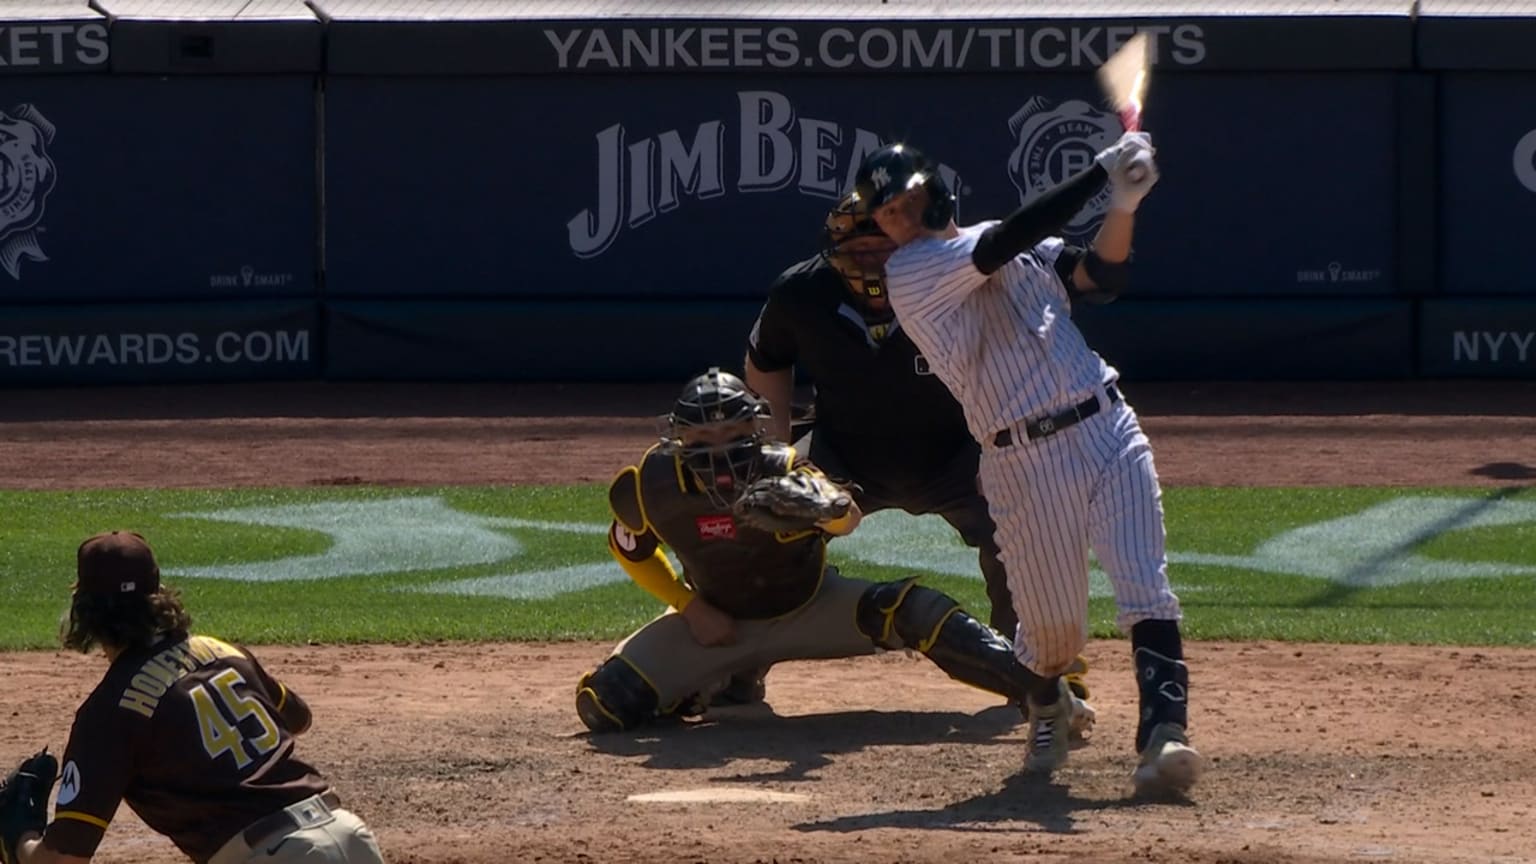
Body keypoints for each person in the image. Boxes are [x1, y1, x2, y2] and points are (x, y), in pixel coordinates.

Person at [850, 134, 1205, 796]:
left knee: (1144, 585)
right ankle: (1048, 701)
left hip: (1106, 426)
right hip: (1021, 461)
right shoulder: (912, 273)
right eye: (885, 214)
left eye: (902, 203)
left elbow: (1101, 279)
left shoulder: (1011, 242)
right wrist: (1101, 172)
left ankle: (1164, 736)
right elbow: (1003, 242)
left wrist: (1124, 203)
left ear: (933, 191)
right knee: (1050, 637)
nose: (894, 220)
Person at [573, 367, 1092, 735]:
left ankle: (1039, 689)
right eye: (703, 439)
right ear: (679, 441)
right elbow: (629, 549)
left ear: (756, 430)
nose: (720, 451)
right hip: (716, 624)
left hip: (811, 608)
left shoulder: (788, 472)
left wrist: (826, 506)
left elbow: (846, 520)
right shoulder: (647, 483)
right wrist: (690, 606)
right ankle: (726, 679)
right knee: (605, 705)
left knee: (917, 610)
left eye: (732, 435)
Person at [742, 192, 1091, 700]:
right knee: (761, 525)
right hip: (844, 456)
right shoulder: (801, 292)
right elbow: (766, 361)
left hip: (957, 451)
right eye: (859, 251)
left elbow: (1017, 361)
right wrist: (777, 457)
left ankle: (1041, 667)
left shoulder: (958, 284)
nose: (873, 263)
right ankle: (734, 669)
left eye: (883, 248)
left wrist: (1000, 448)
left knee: (1026, 524)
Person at [9, 531, 386, 864]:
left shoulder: (108, 713)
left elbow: (63, 860)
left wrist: (19, 838)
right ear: (158, 595)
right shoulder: (222, 651)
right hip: (351, 836)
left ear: (83, 611)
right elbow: (298, 718)